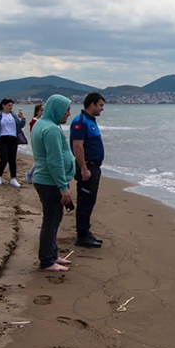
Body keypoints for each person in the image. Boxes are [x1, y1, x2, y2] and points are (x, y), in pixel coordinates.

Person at [31, 94, 77, 271]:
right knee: (51, 221)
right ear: (57, 109)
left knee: (55, 219)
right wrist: (63, 187)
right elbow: (54, 161)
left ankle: (52, 254)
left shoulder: (42, 124)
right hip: (49, 182)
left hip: (47, 180)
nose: (68, 114)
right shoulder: (50, 129)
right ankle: (47, 261)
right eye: (66, 110)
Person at [70, 92, 106, 248]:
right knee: (84, 202)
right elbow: (77, 146)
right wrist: (84, 168)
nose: (102, 108)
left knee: (90, 201)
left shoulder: (90, 120)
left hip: (94, 166)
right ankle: (82, 236)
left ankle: (86, 231)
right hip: (87, 166)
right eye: (100, 105)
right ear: (92, 104)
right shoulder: (80, 121)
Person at [0, 98, 27, 188]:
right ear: (3, 105)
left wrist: (23, 119)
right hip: (2, 139)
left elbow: (20, 126)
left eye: (12, 105)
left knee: (12, 160)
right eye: (9, 105)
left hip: (13, 139)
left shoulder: (13, 115)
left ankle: (13, 179)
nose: (11, 107)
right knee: (4, 159)